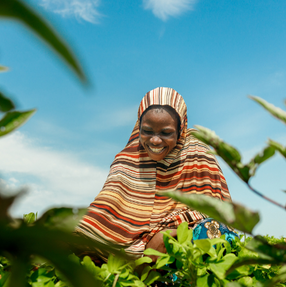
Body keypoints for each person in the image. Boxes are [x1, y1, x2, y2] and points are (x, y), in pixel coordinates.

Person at [75, 87, 237, 263]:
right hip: (132, 243)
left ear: (180, 129)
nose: (155, 140)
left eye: (166, 133)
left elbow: (211, 209)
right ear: (139, 127)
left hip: (180, 233)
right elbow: (104, 210)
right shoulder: (126, 159)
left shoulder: (197, 150)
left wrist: (166, 231)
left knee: (197, 235)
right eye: (147, 131)